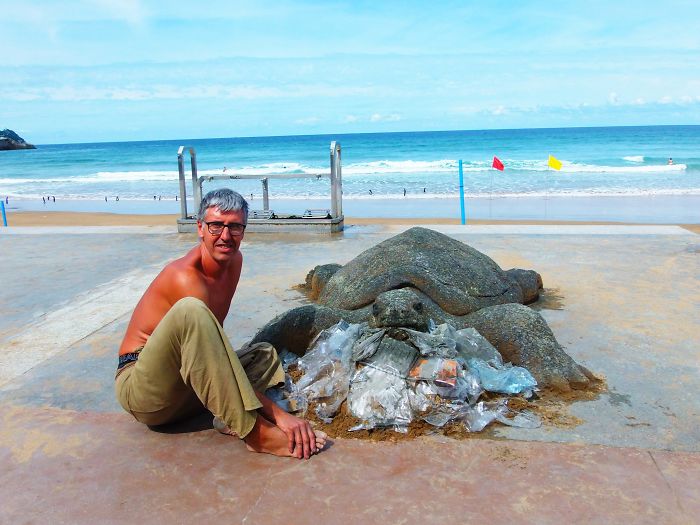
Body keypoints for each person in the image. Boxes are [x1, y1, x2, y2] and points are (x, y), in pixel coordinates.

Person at [115, 188, 326, 459]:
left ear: (244, 231)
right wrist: (279, 417)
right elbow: (209, 357)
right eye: (216, 226)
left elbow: (213, 354)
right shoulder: (184, 277)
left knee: (262, 354)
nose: (225, 236)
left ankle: (225, 416)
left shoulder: (234, 262)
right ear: (200, 228)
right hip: (146, 392)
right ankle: (255, 434)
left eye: (235, 227)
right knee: (191, 311)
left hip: (186, 391)